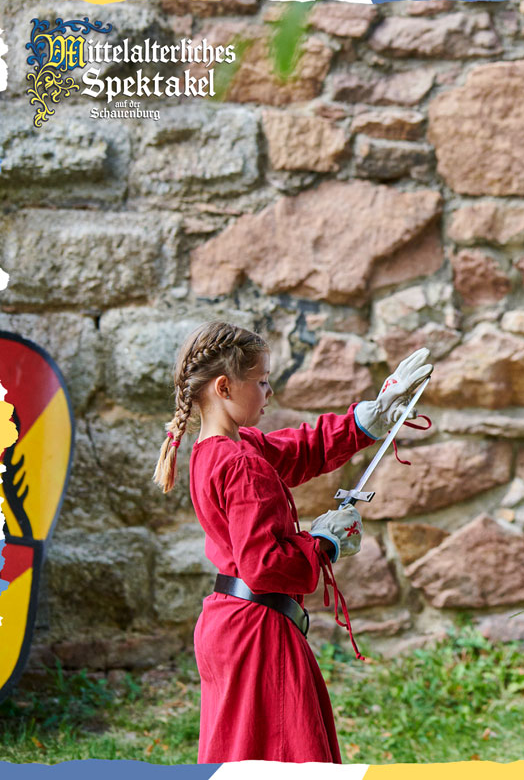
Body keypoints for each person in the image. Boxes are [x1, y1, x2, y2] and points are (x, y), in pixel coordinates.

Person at [152, 321, 431, 763]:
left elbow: (299, 450)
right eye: (262, 381)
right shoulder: (239, 462)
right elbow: (264, 564)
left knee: (247, 759)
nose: (269, 392)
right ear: (224, 387)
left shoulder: (219, 449)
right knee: (288, 761)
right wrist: (324, 542)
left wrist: (368, 419)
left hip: (232, 624)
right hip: (258, 634)